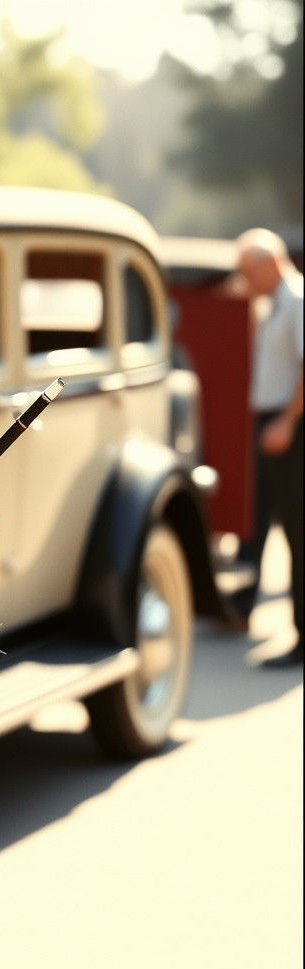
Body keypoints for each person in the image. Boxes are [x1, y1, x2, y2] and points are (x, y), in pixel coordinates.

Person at [235, 228, 303, 667]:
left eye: (249, 272)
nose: (246, 282)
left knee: (298, 532)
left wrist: (287, 421)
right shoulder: (273, 303)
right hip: (275, 422)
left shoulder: (297, 300)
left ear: (272, 263)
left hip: (291, 425)